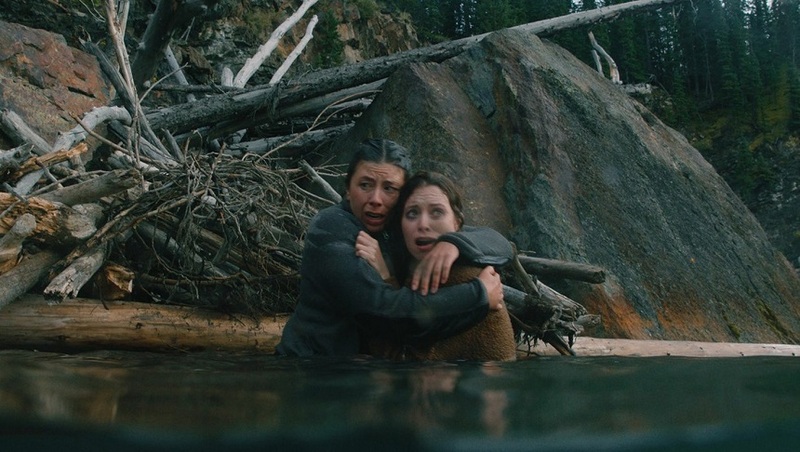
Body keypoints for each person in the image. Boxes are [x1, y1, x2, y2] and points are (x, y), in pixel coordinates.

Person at [276, 139, 512, 357]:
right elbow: (384, 313)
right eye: (365, 185)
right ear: (347, 189)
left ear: (402, 197)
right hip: (311, 368)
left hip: (363, 373)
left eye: (389, 188)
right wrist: (479, 295)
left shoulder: (401, 227)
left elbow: (499, 243)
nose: (376, 199)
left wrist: (453, 243)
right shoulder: (331, 228)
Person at [363, 171, 517, 361]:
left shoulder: (462, 276)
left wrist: (385, 278)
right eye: (412, 213)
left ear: (457, 223)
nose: (423, 224)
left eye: (436, 212)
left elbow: (408, 361)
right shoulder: (414, 267)